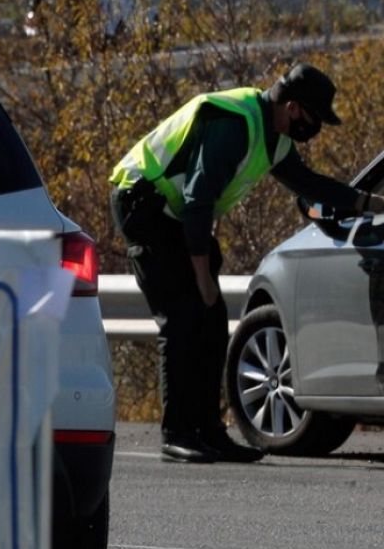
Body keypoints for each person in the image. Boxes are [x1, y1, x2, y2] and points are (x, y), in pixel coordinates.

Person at [110, 63, 384, 464]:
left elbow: (312, 186)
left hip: (177, 216)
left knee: (212, 322)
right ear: (292, 108)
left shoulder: (274, 139)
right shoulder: (234, 126)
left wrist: (371, 203)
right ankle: (177, 433)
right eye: (313, 118)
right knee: (183, 319)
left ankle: (209, 431)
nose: (314, 129)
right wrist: (203, 275)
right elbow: (198, 201)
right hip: (142, 203)